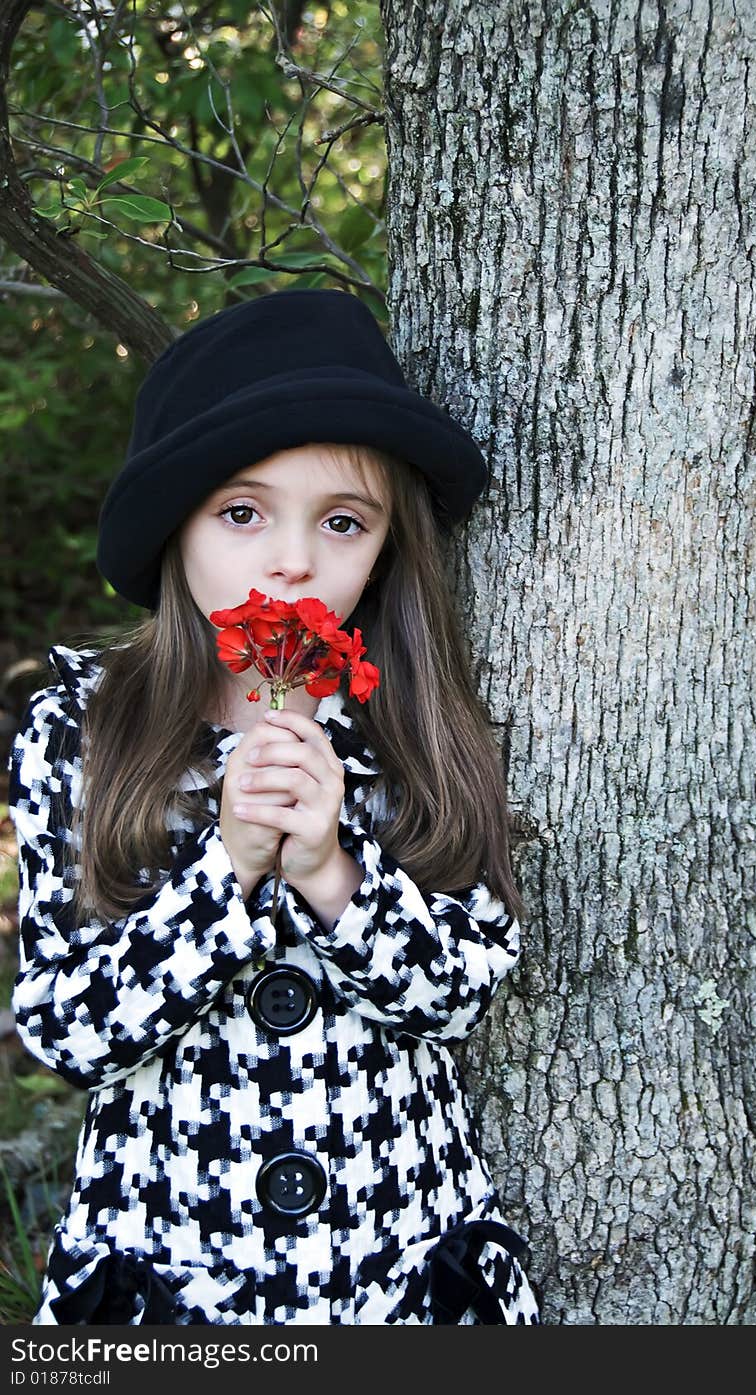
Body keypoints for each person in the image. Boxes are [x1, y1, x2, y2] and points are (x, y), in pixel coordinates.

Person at [9, 288, 541, 1326]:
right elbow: (67, 1031)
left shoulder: (415, 725)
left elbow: (464, 994)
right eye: (243, 512)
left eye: (342, 522)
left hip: (397, 1266)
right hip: (166, 1270)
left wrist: (331, 872)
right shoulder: (85, 725)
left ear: (386, 547)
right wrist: (231, 870)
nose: (293, 559)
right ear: (178, 524)